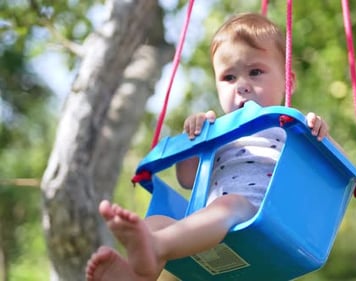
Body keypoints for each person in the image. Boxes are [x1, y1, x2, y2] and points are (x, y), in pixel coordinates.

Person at [86, 12, 333, 281]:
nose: (242, 86)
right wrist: (196, 140)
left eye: (255, 72)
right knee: (155, 222)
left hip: (263, 217)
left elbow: (336, 169)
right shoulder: (219, 133)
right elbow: (188, 180)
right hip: (209, 225)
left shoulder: (290, 128)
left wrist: (318, 132)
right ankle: (137, 274)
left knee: (229, 205)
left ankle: (157, 248)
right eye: (229, 77)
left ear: (289, 82)